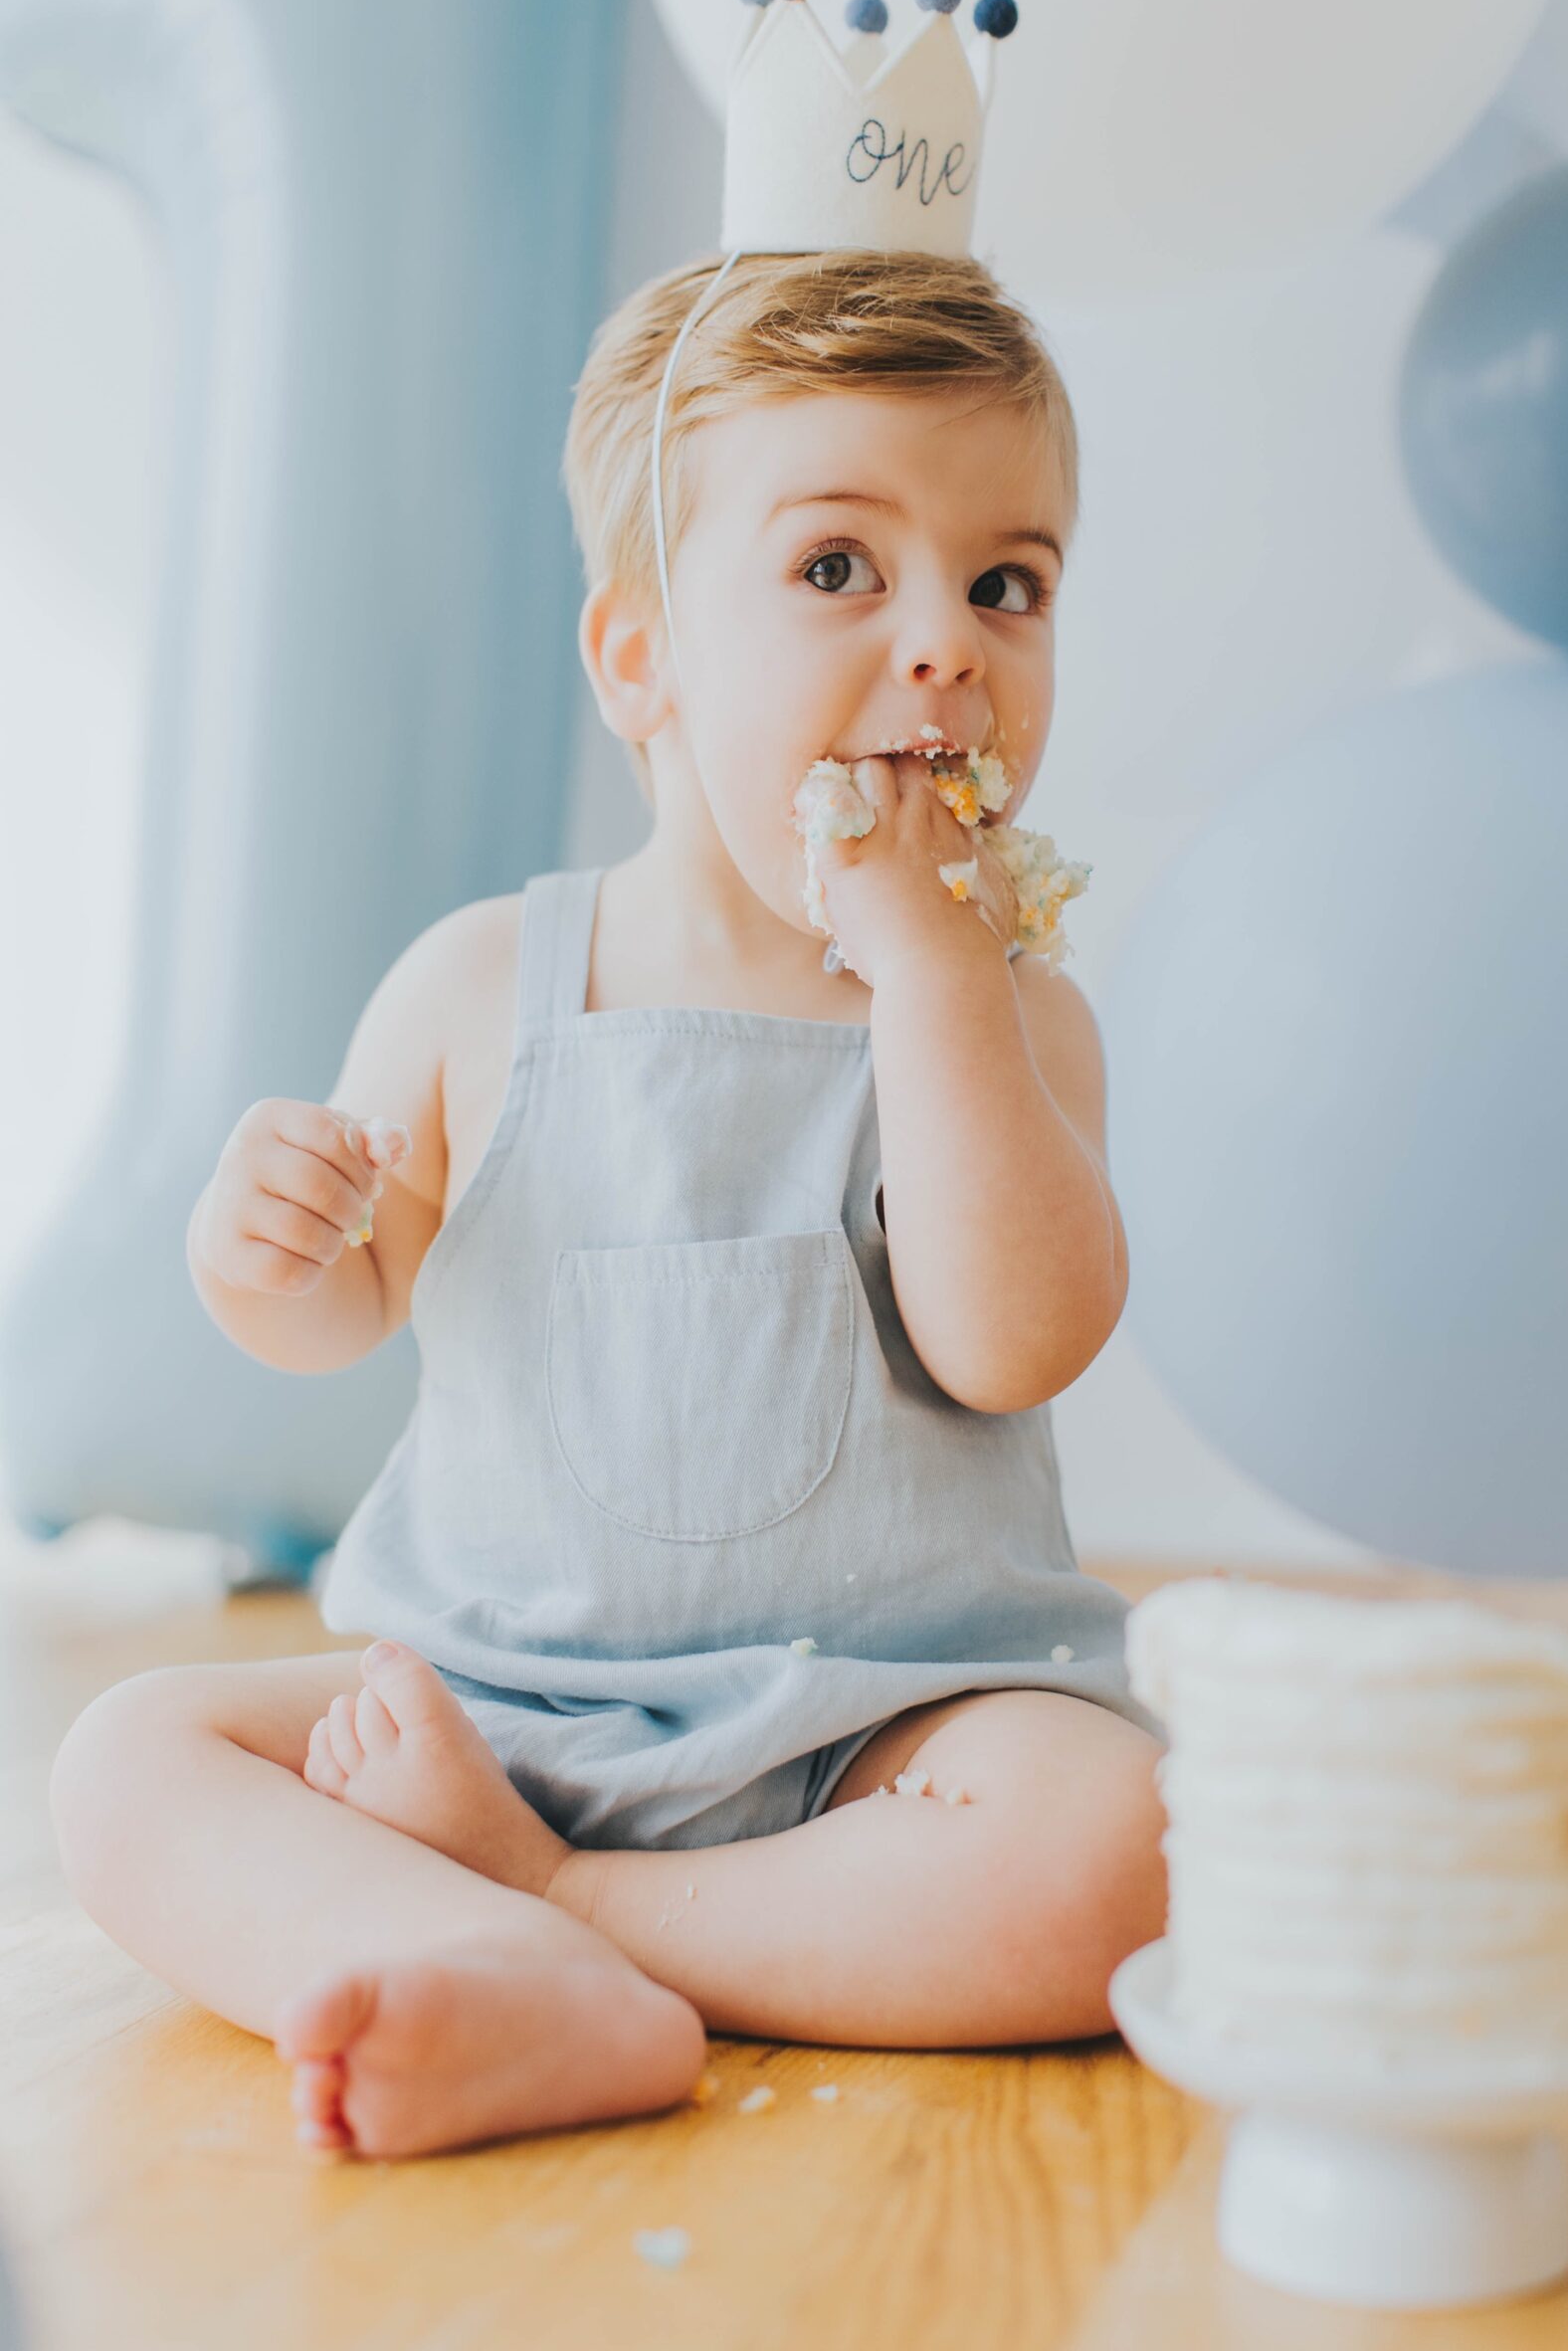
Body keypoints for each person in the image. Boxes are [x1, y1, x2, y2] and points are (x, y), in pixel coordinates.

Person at [50, 235, 1167, 2166]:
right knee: (127, 1759)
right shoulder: (489, 983)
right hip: (488, 1710)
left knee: (1118, 1852)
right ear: (639, 656)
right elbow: (351, 1300)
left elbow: (1015, 1336)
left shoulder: (1008, 1009)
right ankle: (453, 1933)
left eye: (1007, 582)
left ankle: (563, 1928)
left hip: (880, 1738)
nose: (943, 643)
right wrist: (274, 1249)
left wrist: (926, 971)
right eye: (840, 567)